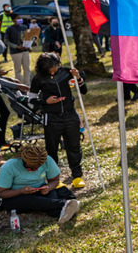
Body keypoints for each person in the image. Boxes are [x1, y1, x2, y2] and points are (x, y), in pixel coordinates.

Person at [29, 53, 87, 189]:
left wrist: (78, 77)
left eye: (56, 66)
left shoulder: (67, 72)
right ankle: (54, 178)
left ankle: (77, 175)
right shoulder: (38, 79)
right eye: (51, 68)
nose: (55, 69)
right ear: (43, 69)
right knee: (52, 148)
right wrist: (45, 102)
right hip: (52, 118)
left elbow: (83, 90)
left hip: (70, 115)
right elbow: (31, 102)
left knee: (74, 146)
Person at [0, 145, 79, 225]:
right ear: (23, 160)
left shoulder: (48, 161)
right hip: (16, 196)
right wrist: (20, 191)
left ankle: (63, 210)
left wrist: (48, 188)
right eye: (30, 168)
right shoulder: (9, 166)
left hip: (40, 191)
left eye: (37, 168)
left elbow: (55, 180)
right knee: (28, 200)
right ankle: (64, 204)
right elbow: (1, 193)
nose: (33, 170)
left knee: (51, 208)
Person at [5, 13, 31, 86]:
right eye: (18, 18)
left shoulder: (24, 27)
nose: (20, 20)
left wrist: (29, 47)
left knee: (27, 69)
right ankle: (20, 85)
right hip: (16, 52)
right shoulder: (9, 29)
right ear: (13, 20)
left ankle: (27, 85)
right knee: (18, 70)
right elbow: (6, 41)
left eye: (20, 18)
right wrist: (16, 46)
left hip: (25, 51)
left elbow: (28, 39)